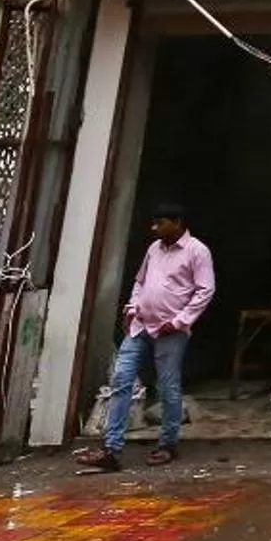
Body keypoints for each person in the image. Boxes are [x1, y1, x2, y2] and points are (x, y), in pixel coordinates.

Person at [75, 203, 213, 473]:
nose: (155, 229)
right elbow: (140, 282)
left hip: (170, 331)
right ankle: (111, 448)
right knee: (121, 379)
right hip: (140, 326)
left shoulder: (197, 251)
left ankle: (167, 444)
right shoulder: (154, 249)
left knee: (168, 387)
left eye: (160, 223)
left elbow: (205, 290)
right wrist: (132, 306)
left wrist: (179, 321)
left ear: (177, 222)